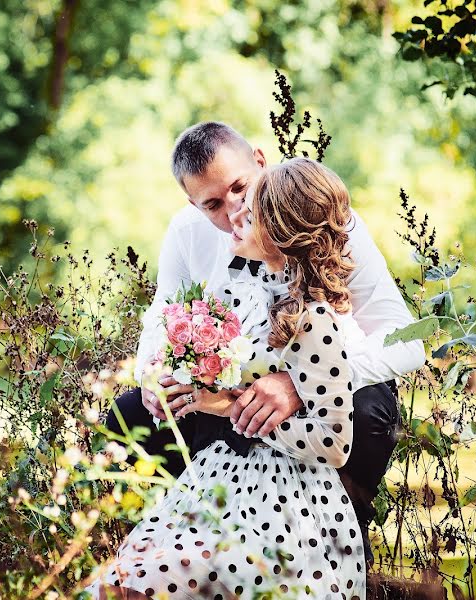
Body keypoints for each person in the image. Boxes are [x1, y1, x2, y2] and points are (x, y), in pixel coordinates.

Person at [105, 122, 425, 565]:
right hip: (234, 396)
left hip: (329, 392)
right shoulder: (185, 233)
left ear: (260, 160)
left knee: (370, 410)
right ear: (192, 204)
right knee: (130, 416)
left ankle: (341, 540)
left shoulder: (324, 220)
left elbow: (405, 339)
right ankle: (196, 540)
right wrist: (154, 373)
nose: (234, 209)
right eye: (213, 204)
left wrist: (303, 382)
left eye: (241, 188)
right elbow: (164, 309)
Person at [87, 158, 369, 599]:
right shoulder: (243, 290)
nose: (233, 216)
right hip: (218, 475)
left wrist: (220, 405)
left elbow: (334, 446)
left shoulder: (313, 318)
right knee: (120, 585)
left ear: (280, 235)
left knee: (141, 587)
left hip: (284, 503)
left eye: (249, 213)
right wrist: (174, 376)